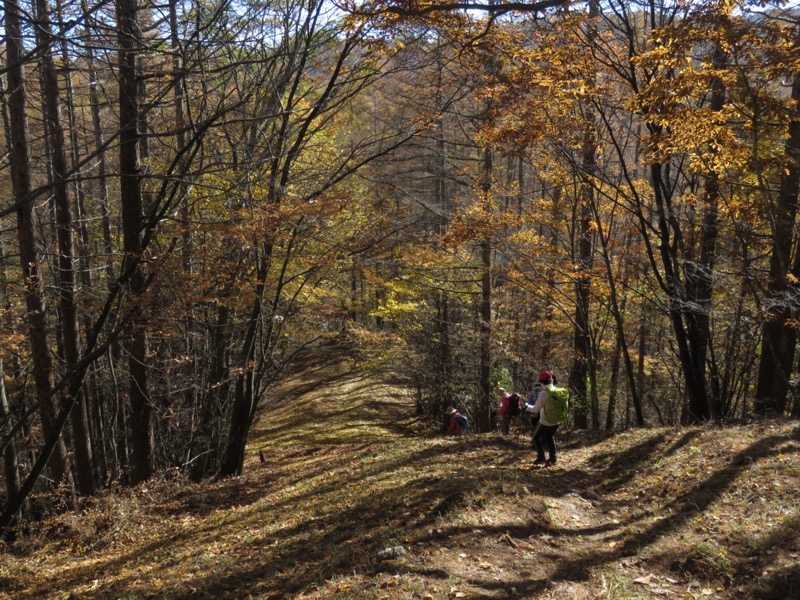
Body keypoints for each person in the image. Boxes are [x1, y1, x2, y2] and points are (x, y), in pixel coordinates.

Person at [523, 370, 560, 466]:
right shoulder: (557, 391)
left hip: (545, 421)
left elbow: (536, 409)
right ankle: (553, 457)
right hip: (556, 421)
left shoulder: (544, 393)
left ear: (541, 382)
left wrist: (527, 407)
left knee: (535, 437)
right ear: (551, 380)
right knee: (550, 436)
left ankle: (541, 457)